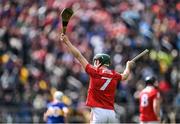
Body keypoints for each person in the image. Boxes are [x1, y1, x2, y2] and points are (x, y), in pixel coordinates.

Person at [60, 33, 134, 123]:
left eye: (96, 61)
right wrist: (128, 66)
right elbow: (125, 76)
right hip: (111, 113)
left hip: (98, 112)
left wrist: (67, 42)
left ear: (100, 62)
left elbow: (78, 56)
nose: (94, 63)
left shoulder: (94, 71)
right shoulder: (114, 74)